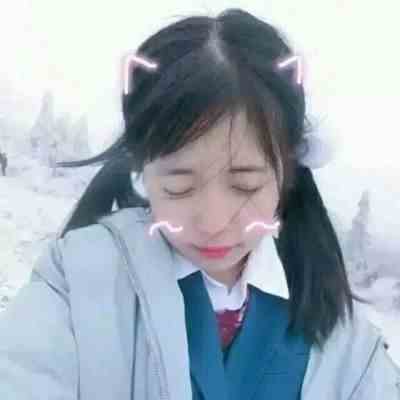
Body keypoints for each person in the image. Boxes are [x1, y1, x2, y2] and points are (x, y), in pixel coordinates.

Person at [0, 8, 399, 400]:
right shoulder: (76, 285)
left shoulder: (352, 352)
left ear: (287, 173)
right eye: (179, 187)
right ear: (142, 170)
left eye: (245, 185)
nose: (213, 222)